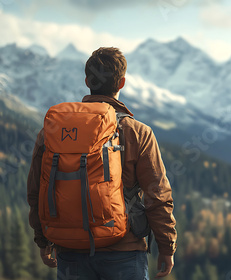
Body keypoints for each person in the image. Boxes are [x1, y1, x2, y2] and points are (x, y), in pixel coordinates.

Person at [27, 47, 177, 280]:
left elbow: (36, 189)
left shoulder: (53, 131)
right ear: (122, 83)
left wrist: (43, 239)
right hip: (124, 250)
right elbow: (158, 195)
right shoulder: (137, 132)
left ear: (87, 80)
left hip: (71, 249)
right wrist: (167, 247)